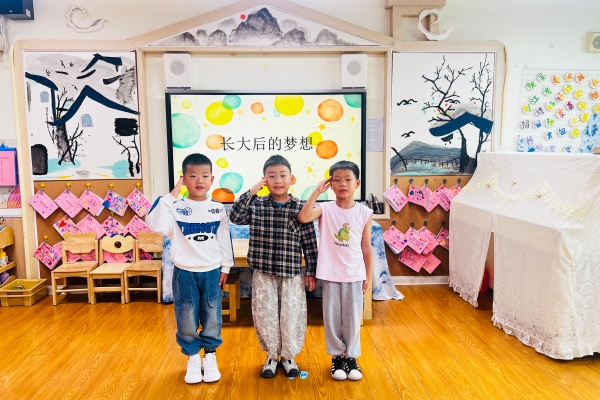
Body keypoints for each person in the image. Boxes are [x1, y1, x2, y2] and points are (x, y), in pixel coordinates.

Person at [146, 153, 234, 385]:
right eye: (193, 176)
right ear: (184, 179)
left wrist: (226, 267)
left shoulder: (217, 209)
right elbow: (153, 224)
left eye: (204, 176)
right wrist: (171, 195)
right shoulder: (176, 207)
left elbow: (224, 239)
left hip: (212, 272)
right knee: (186, 315)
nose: (199, 180)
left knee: (212, 315)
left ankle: (210, 355)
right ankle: (193, 357)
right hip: (184, 272)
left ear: (212, 179)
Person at [229, 154, 318, 378]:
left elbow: (309, 242)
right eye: (271, 176)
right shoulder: (257, 205)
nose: (278, 180)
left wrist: (311, 271)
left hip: (291, 273)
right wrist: (252, 191)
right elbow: (235, 216)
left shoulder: (301, 207)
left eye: (282, 175)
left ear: (292, 179)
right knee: (265, 316)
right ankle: (271, 356)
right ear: (264, 180)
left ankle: (288, 357)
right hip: (264, 272)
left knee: (291, 316)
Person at [298, 160, 372, 381]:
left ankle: (351, 357)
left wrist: (368, 276)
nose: (342, 184)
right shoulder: (326, 209)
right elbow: (303, 217)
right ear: (331, 184)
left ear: (357, 183)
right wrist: (317, 192)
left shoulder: (364, 212)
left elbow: (366, 247)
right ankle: (337, 357)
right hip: (330, 273)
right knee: (331, 318)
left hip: (354, 274)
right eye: (337, 180)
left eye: (348, 179)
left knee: (352, 318)